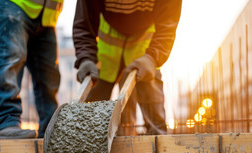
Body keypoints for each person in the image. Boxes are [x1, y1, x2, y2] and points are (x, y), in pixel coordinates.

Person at [73, 0, 182, 135]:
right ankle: (87, 140)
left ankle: (158, 141)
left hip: (144, 43)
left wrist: (153, 57)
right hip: (108, 43)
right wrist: (86, 58)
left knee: (151, 91)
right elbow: (84, 23)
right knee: (93, 108)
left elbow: (168, 22)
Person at [0, 0, 63, 139]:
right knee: (9, 58)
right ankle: (3, 122)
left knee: (49, 77)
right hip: (12, 3)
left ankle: (52, 133)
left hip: (47, 15)